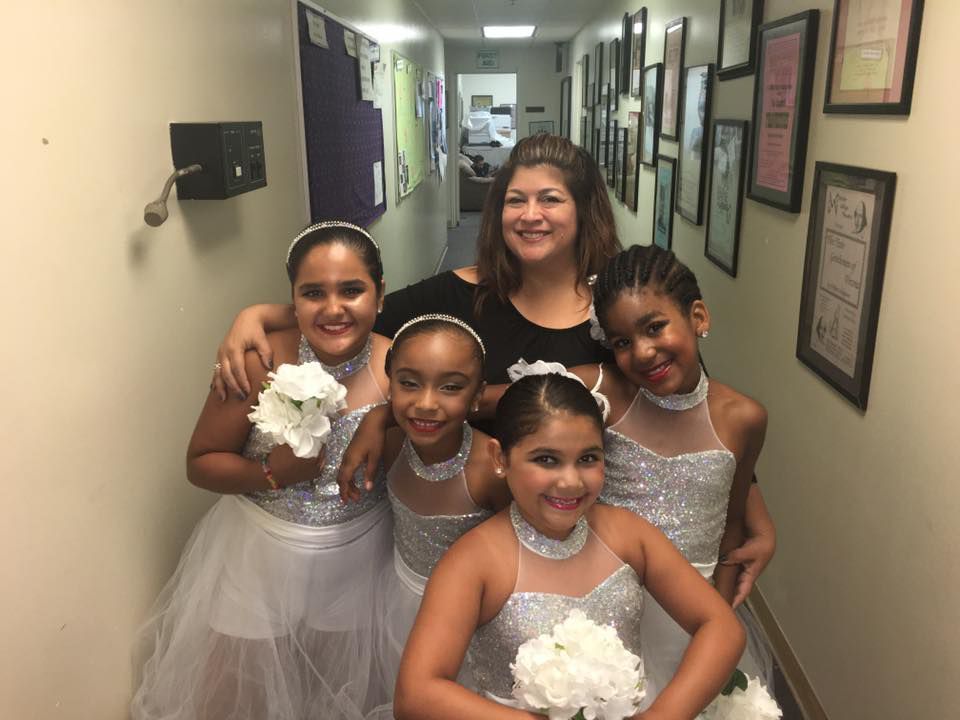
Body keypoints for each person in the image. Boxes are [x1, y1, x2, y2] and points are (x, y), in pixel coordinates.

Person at [211, 132, 776, 603]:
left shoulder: (621, 307)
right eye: (514, 200)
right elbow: (351, 308)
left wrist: (756, 517)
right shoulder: (459, 295)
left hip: (586, 535)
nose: (530, 216)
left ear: (583, 210)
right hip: (468, 534)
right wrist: (257, 314)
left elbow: (687, 410)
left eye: (550, 199)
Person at [131, 222, 394, 720]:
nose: (333, 308)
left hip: (358, 559)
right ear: (292, 300)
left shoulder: (399, 364)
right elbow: (200, 463)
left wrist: (386, 414)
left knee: (337, 689)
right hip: (259, 552)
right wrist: (272, 474)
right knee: (239, 692)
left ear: (381, 294)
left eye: (352, 290)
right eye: (313, 293)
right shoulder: (259, 360)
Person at [392, 374, 745, 719]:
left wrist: (665, 714)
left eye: (588, 459)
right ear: (500, 458)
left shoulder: (627, 534)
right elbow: (416, 694)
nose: (571, 481)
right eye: (546, 459)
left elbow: (722, 627)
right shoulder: (473, 561)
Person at [573, 243, 772, 698]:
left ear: (698, 317)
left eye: (655, 327)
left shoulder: (744, 418)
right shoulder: (604, 394)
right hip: (604, 602)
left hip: (694, 612)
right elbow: (491, 397)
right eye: (622, 342)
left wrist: (717, 618)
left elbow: (733, 522)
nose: (642, 352)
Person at [365, 314, 512, 711]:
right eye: (409, 383)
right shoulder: (391, 443)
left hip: (469, 623)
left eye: (450, 387)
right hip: (397, 597)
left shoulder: (490, 470)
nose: (426, 403)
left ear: (478, 395)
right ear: (389, 380)